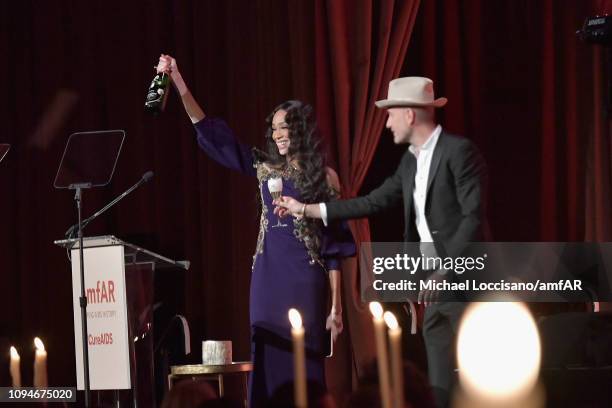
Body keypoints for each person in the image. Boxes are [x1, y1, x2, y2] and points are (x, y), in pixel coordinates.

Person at [274, 77, 489, 408]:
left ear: (409, 115)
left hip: (464, 285)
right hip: (433, 291)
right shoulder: (410, 162)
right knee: (439, 386)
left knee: (480, 378)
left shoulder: (459, 153)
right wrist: (306, 208)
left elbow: (471, 220)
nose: (386, 123)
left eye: (390, 114)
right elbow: (371, 202)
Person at [156, 55, 355, 407]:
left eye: (286, 127)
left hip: (305, 281)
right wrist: (178, 81)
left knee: (304, 368)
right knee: (266, 357)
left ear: (302, 130)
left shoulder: (326, 179)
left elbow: (335, 247)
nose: (278, 134)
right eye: (275, 127)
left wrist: (336, 308)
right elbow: (213, 134)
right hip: (267, 280)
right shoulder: (265, 168)